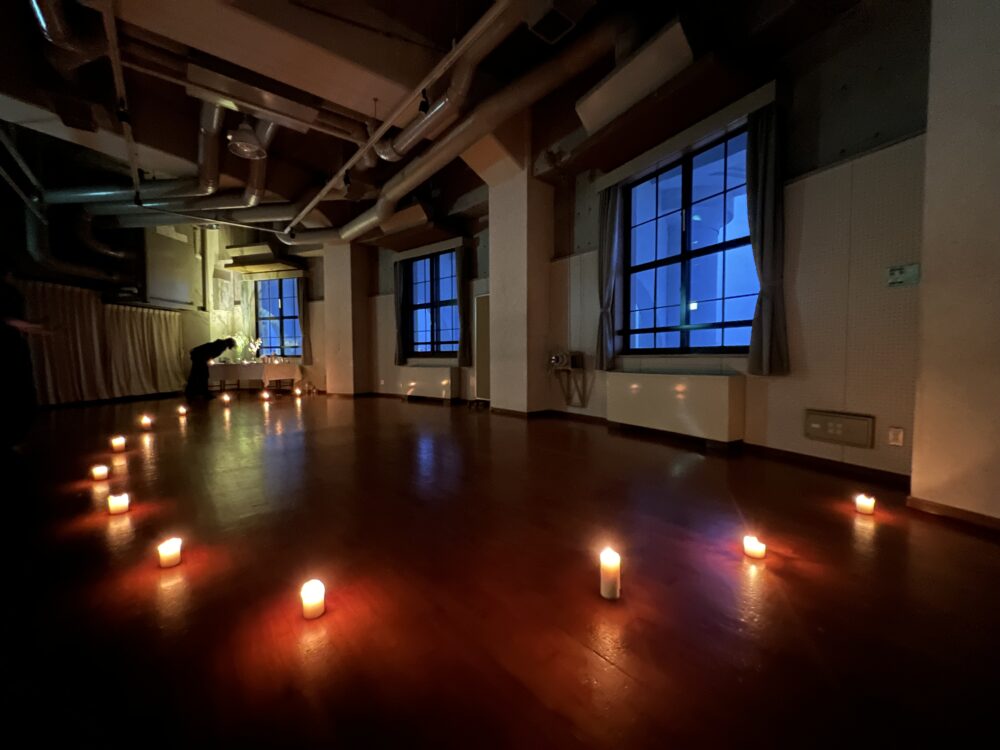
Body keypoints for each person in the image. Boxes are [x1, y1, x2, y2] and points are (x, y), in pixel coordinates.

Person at [0, 271, 43, 453]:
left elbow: (11, 320)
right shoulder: (5, 292)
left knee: (22, 395)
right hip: (8, 348)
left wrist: (31, 326)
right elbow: (7, 319)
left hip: (14, 346)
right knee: (18, 395)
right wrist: (32, 326)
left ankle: (13, 439)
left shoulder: (10, 292)